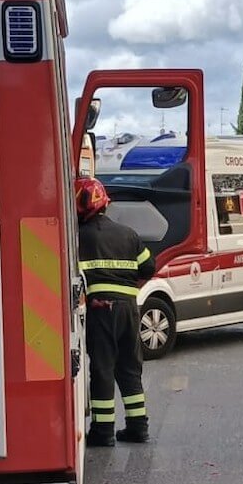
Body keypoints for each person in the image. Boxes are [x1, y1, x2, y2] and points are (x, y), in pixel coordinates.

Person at [76, 177, 155, 447]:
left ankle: (103, 430)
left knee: (103, 368)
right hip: (129, 310)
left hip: (101, 311)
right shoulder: (128, 234)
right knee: (130, 368)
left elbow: (71, 280)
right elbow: (148, 269)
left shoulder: (78, 237)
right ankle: (138, 426)